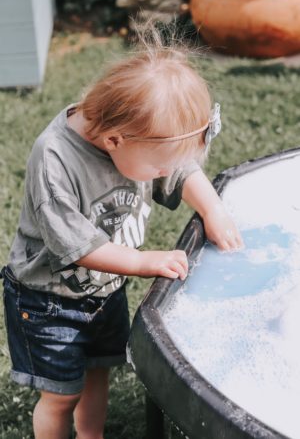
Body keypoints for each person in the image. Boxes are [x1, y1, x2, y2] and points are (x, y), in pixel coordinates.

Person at [1, 23, 243, 439]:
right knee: (60, 395)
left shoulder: (137, 137)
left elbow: (182, 169)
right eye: (158, 168)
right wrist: (142, 261)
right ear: (114, 139)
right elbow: (76, 246)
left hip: (104, 291)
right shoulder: (55, 158)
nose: (164, 175)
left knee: (98, 374)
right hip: (48, 302)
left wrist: (213, 208)